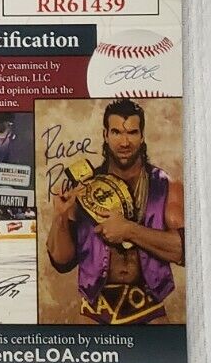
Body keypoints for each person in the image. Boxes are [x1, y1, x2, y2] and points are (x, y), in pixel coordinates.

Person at [47, 99, 185, 325]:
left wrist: (129, 230)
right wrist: (61, 217)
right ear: (105, 134)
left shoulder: (165, 186)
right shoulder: (85, 188)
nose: (124, 142)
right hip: (94, 313)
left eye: (132, 132)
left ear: (142, 136)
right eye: (116, 132)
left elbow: (184, 250)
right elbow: (62, 262)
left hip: (148, 310)